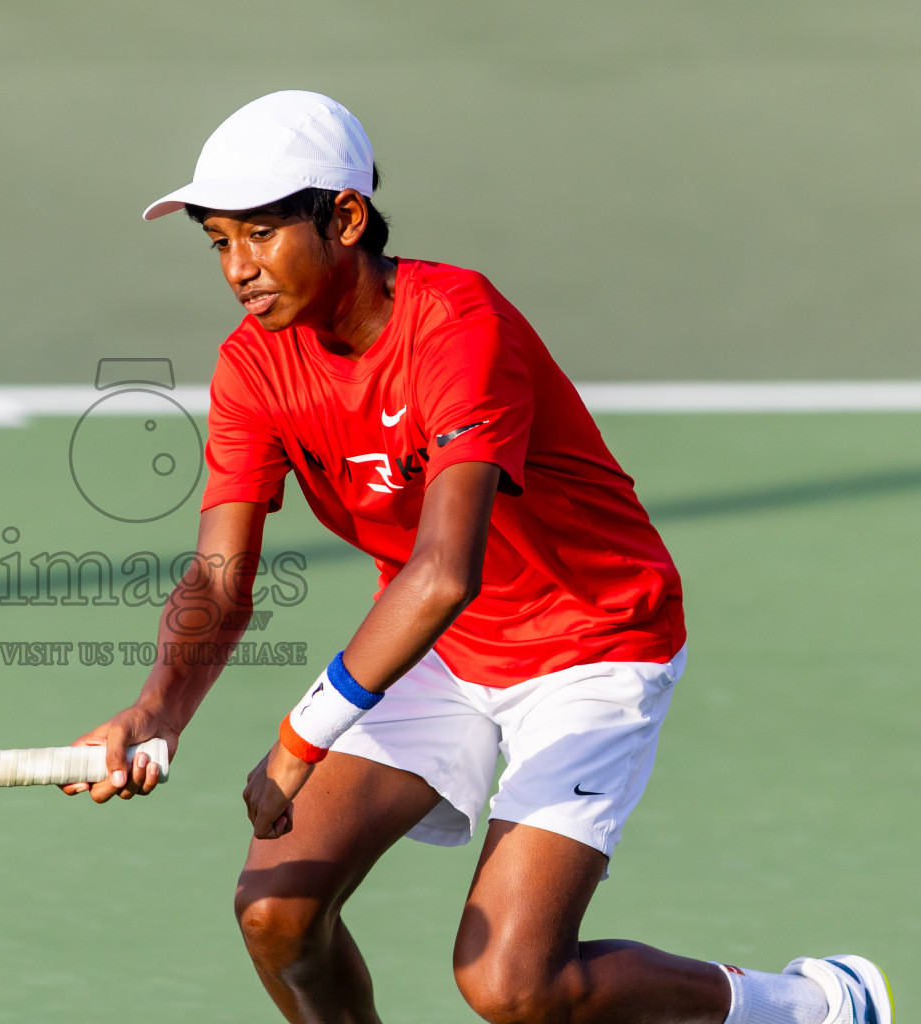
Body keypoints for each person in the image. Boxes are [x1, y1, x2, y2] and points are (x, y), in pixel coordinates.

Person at [62, 90, 890, 1024]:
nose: (239, 269)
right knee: (277, 914)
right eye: (219, 241)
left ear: (344, 216)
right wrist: (156, 708)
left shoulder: (460, 327)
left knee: (510, 984)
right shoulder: (256, 366)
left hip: (593, 641)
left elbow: (444, 571)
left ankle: (810, 1006)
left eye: (260, 234)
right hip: (443, 653)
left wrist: (299, 740)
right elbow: (221, 577)